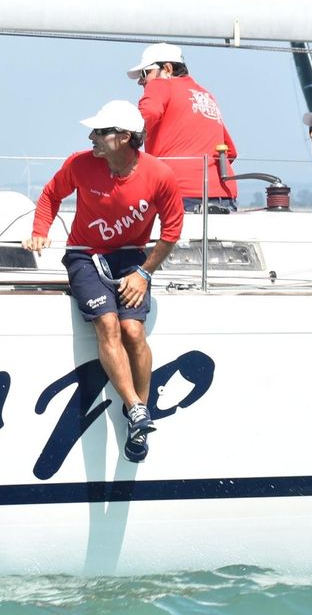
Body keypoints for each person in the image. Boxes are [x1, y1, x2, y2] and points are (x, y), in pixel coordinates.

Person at [24, 100, 182, 463]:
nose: (91, 136)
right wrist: (39, 232)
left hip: (131, 257)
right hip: (84, 254)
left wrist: (144, 273)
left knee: (134, 332)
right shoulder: (80, 163)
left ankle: (137, 421)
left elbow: (171, 231)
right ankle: (138, 409)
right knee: (108, 325)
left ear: (125, 138)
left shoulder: (159, 174)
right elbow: (50, 195)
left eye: (100, 131)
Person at [129, 43, 238, 213]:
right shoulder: (205, 95)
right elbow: (230, 151)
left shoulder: (160, 84)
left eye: (145, 73)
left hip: (178, 193)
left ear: (167, 68)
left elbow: (146, 114)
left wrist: (123, 146)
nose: (141, 81)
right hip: (224, 196)